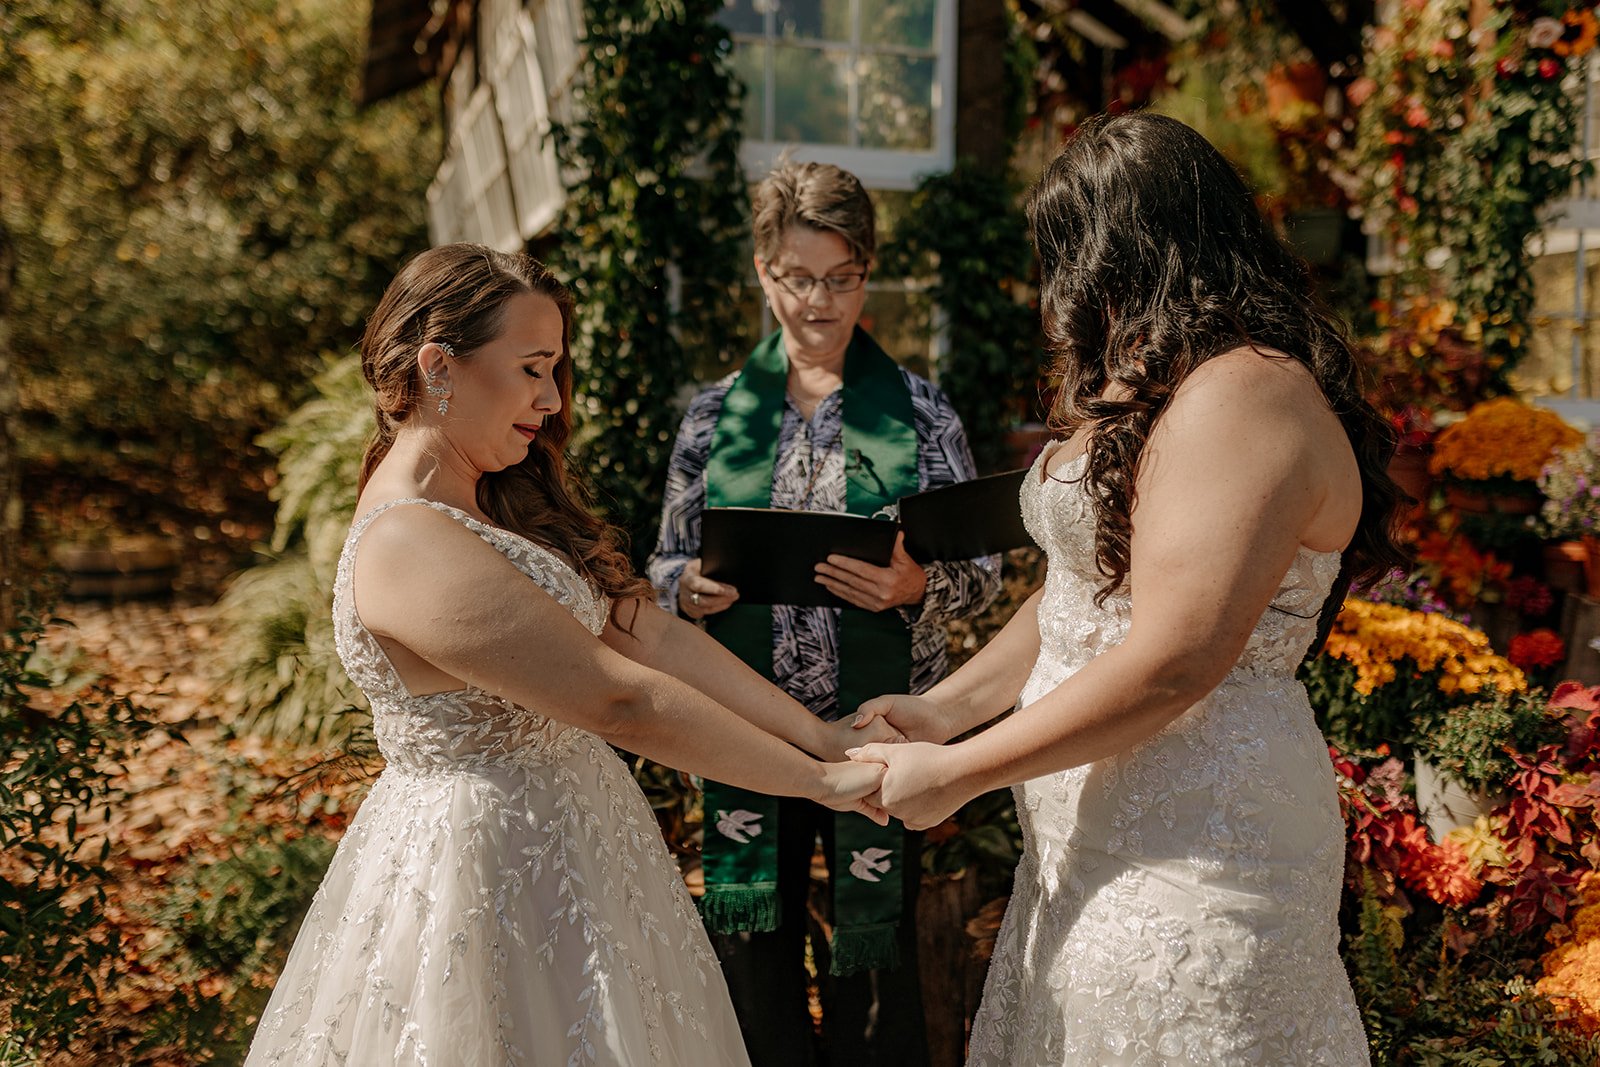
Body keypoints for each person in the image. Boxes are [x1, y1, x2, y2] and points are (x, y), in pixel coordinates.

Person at [243, 244, 899, 1067]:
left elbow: (644, 633)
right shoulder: (407, 537)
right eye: (532, 369)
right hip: (490, 875)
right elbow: (615, 697)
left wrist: (822, 735)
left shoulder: (491, 499)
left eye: (555, 370)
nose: (552, 400)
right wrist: (821, 784)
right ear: (438, 366)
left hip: (586, 849)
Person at [849, 111, 1404, 1064]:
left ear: (1125, 255)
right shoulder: (1160, 390)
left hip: (1196, 847)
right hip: (1084, 839)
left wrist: (961, 773)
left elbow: (1175, 655)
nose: (1056, 295)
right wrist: (943, 712)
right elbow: (1075, 599)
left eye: (1064, 260)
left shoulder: (1247, 393)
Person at [647, 161, 1001, 1067]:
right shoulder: (712, 416)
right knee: (752, 961)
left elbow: (985, 571)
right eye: (799, 277)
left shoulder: (921, 413)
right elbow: (663, 565)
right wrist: (687, 588)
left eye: (841, 278)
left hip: (875, 729)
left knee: (871, 978)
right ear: (764, 272)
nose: (819, 301)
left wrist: (916, 587)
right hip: (747, 730)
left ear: (866, 274)